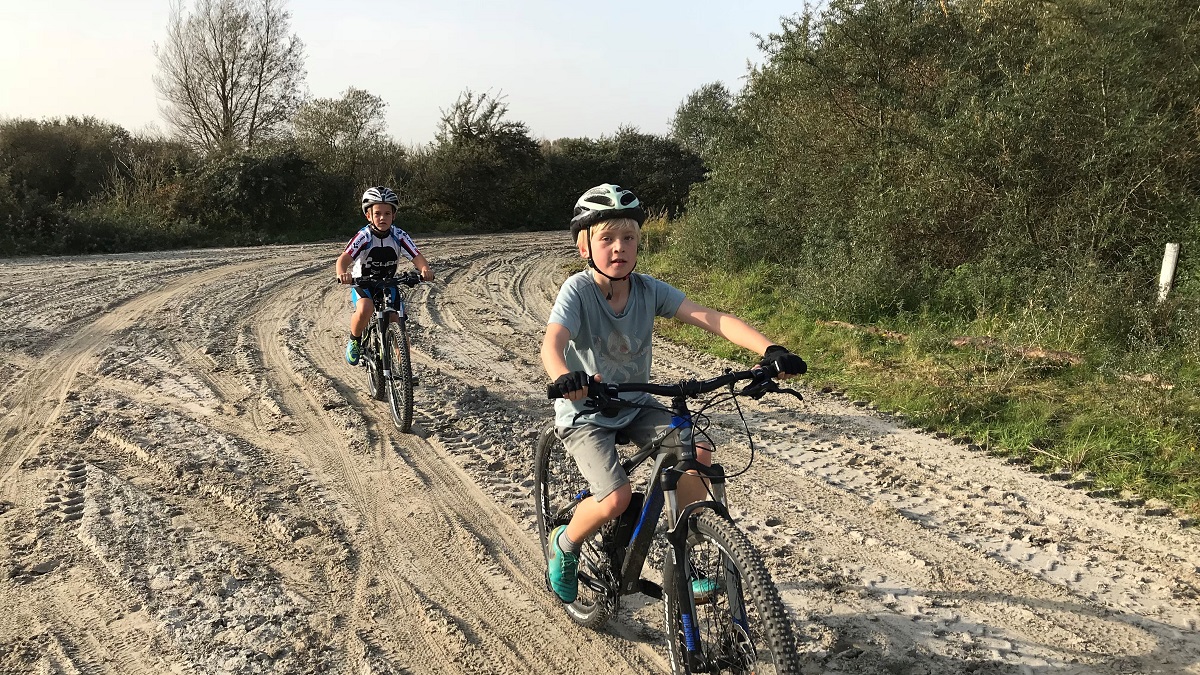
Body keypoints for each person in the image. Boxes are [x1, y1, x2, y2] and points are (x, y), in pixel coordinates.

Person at [540, 183, 807, 604]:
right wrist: (565, 378)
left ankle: (679, 556)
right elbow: (552, 342)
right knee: (615, 499)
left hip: (635, 403)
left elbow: (711, 318)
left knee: (696, 452)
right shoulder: (578, 290)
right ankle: (565, 544)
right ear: (583, 247)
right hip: (587, 410)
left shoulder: (648, 289)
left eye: (629, 238)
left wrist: (769, 349)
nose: (619, 248)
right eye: (606, 238)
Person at [335, 186, 434, 366]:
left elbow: (416, 255)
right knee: (365, 308)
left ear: (393, 215)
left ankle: (404, 368)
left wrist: (424, 269)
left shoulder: (399, 235)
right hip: (364, 282)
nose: (382, 218)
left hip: (388, 282)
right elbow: (344, 258)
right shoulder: (364, 236)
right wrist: (343, 273)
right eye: (378, 213)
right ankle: (355, 340)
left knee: (396, 320)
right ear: (369, 216)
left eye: (387, 213)